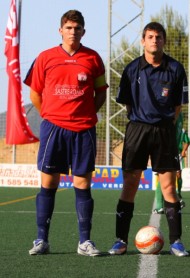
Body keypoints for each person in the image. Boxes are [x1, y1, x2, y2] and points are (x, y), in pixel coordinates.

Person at [23, 10, 108, 256]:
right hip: (54, 129)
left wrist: (88, 113)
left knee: (82, 183)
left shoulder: (93, 58)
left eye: (77, 28)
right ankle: (41, 240)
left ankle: (84, 242)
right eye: (69, 28)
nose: (73, 32)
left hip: (83, 129)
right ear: (60, 30)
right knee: (48, 182)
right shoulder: (45, 57)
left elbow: (100, 91)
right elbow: (35, 94)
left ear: (83, 31)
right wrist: (50, 114)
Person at [108, 22, 189, 257]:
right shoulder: (132, 69)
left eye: (159, 37)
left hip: (164, 132)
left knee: (168, 188)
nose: (155, 40)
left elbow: (177, 107)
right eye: (150, 37)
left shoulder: (175, 68)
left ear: (164, 41)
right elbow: (127, 103)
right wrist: (143, 120)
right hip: (137, 131)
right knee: (130, 185)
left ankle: (176, 242)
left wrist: (162, 123)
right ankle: (120, 240)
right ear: (143, 40)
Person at [153, 112, 190, 214]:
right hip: (166, 149)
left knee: (173, 176)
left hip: (172, 150)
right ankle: (161, 205)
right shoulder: (171, 114)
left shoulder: (179, 115)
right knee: (164, 176)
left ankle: (177, 197)